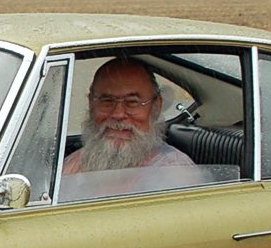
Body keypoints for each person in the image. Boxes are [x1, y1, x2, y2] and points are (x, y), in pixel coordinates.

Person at [62, 57, 194, 173]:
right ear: (91, 103)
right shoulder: (76, 163)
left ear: (157, 106)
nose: (118, 114)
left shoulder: (173, 170)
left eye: (132, 102)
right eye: (107, 101)